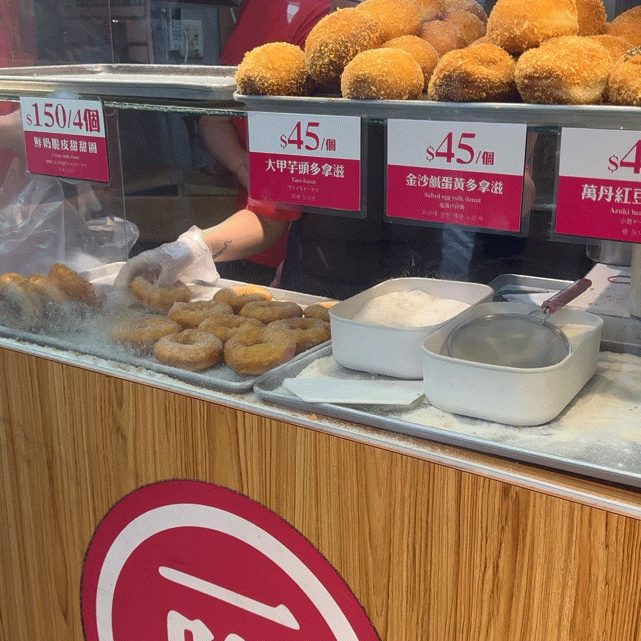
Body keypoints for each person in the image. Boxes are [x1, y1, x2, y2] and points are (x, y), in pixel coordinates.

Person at [197, 0, 331, 285]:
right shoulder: (250, 8)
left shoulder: (321, 14)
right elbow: (214, 119)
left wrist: (298, 259)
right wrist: (241, 164)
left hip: (294, 243)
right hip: (245, 231)